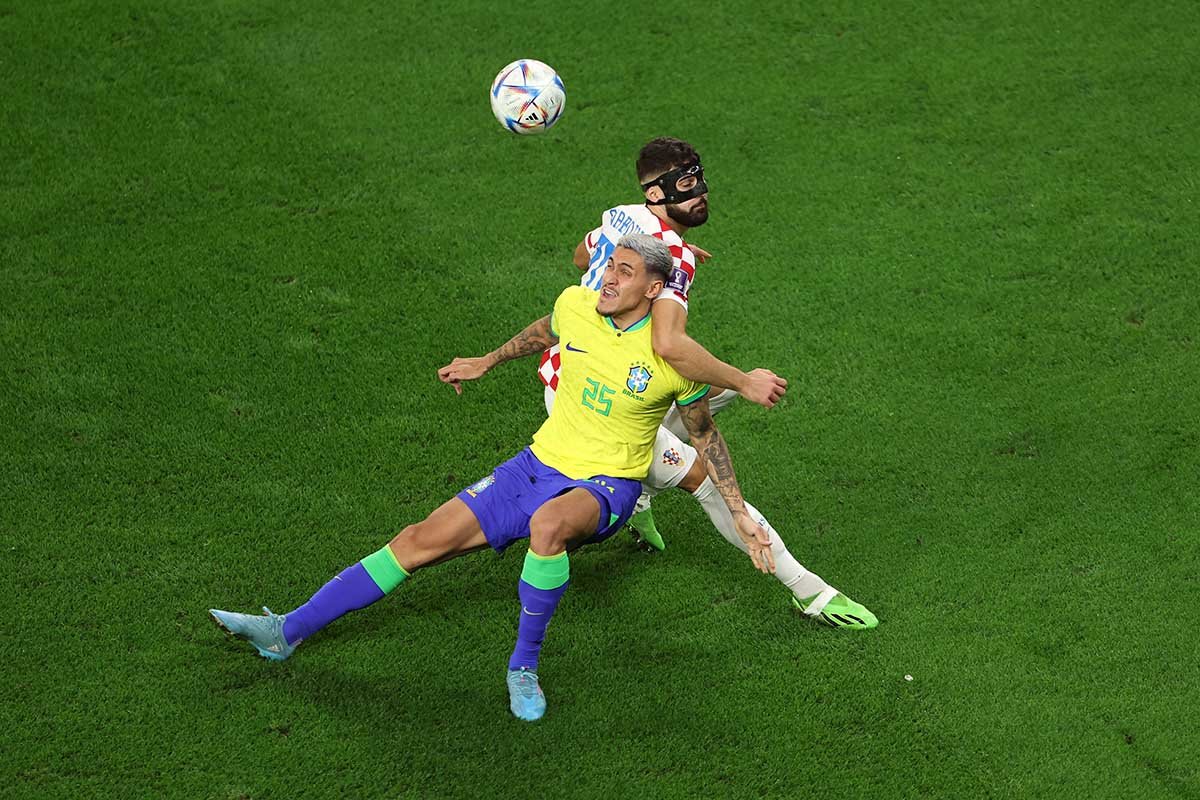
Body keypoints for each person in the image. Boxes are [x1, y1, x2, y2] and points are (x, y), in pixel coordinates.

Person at [210, 235, 772, 723]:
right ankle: (286, 632)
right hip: (535, 465)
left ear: (653, 290)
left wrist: (738, 510)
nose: (608, 278)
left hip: (607, 485)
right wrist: (485, 360)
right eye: (610, 267)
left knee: (549, 526)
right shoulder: (576, 305)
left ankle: (522, 667)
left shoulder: (677, 361)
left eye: (625, 272)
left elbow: (704, 436)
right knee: (415, 541)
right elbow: (544, 331)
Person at [542, 137, 877, 629]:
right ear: (656, 195)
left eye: (698, 178)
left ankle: (640, 498)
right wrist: (745, 381)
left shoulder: (621, 217)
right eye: (685, 184)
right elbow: (670, 346)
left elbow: (581, 256)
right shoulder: (670, 254)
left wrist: (654, 256)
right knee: (708, 478)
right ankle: (812, 593)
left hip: (586, 374)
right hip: (598, 407)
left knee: (707, 394)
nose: (700, 192)